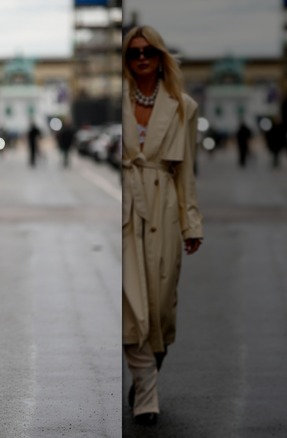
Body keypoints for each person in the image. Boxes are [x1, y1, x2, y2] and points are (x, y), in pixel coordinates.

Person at [121, 25, 204, 426]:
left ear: (160, 56)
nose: (141, 58)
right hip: (125, 208)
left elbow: (186, 170)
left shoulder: (182, 106)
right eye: (133, 52)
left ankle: (146, 374)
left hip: (165, 207)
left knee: (161, 307)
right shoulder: (116, 101)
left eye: (148, 52)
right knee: (132, 304)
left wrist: (191, 224)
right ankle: (146, 393)